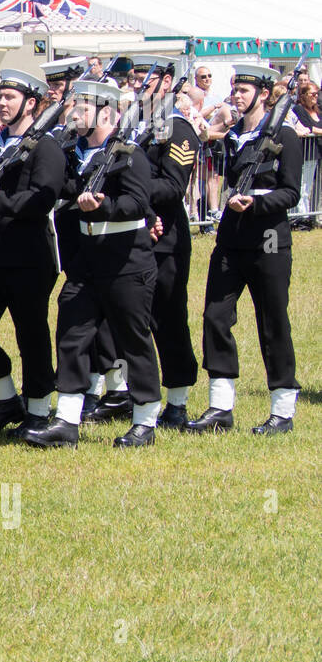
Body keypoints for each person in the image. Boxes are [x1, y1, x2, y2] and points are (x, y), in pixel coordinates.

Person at [24, 81, 162, 450]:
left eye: (82, 108)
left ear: (106, 113)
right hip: (87, 257)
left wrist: (103, 205)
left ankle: (145, 420)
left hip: (125, 258)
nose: (73, 114)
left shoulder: (129, 154)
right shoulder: (80, 153)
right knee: (71, 333)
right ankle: (67, 420)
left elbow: (138, 202)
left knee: (133, 339)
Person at [188, 64, 301, 436]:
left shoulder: (284, 134)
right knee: (215, 317)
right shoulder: (235, 134)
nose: (236, 96)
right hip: (231, 238)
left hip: (267, 238)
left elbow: (291, 192)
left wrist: (256, 202)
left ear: (264, 94)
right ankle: (221, 406)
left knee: (272, 322)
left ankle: (282, 410)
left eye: (244, 90)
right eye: (235, 89)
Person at [0, 69, 62, 437]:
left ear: (30, 103)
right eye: (0, 96)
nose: (1, 103)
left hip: (30, 252)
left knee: (30, 333)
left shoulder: (46, 146)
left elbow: (42, 199)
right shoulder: (2, 141)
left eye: (9, 98)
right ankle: (6, 399)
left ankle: (38, 410)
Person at [132, 55, 202, 428]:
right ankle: (124, 394)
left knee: (169, 319)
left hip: (166, 239)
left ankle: (177, 401)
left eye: (147, 80)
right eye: (136, 79)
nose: (139, 86)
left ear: (167, 84)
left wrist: (133, 188)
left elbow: (174, 186)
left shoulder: (177, 128)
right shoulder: (134, 125)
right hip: (134, 234)